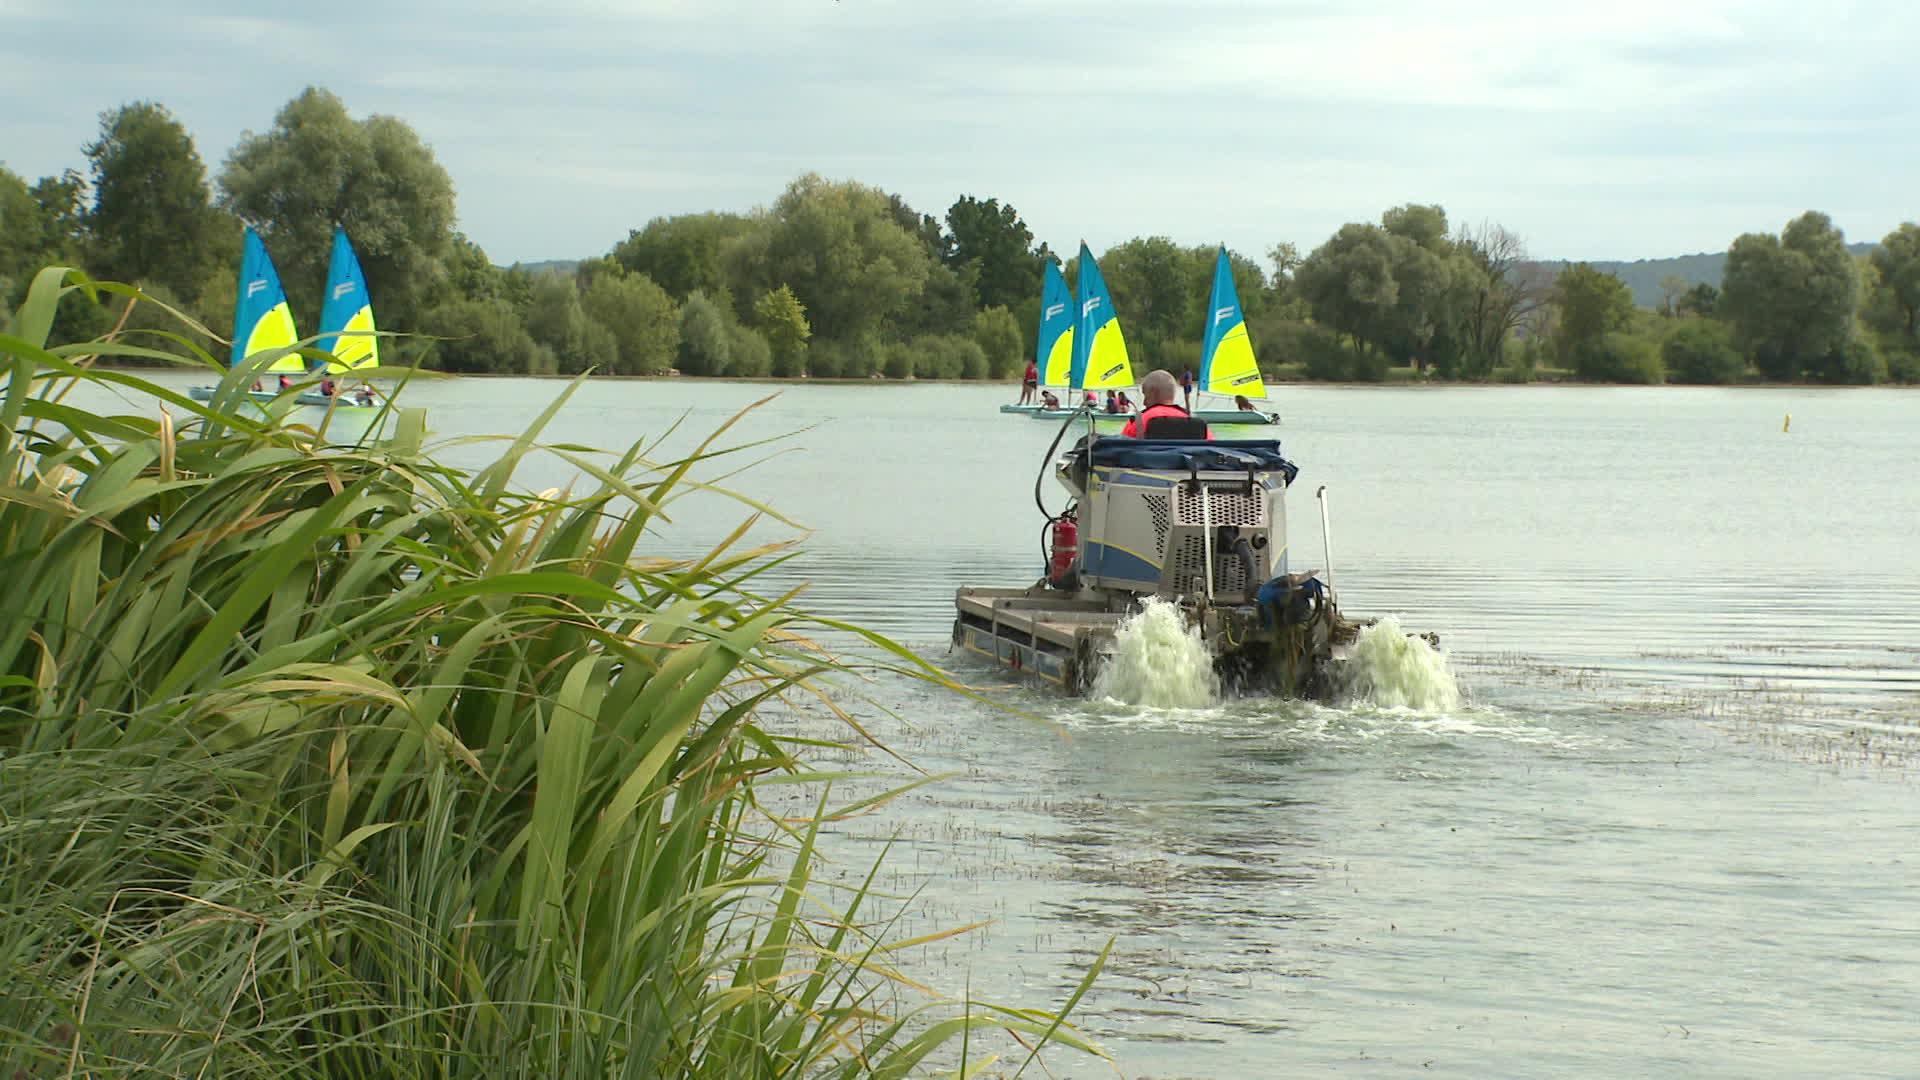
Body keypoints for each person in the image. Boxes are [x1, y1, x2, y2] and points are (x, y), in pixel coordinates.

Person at [1122, 369, 1211, 439]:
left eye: (1145, 395)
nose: (1144, 402)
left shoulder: (1139, 422)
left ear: (1153, 392)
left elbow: (1120, 450)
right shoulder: (1197, 424)